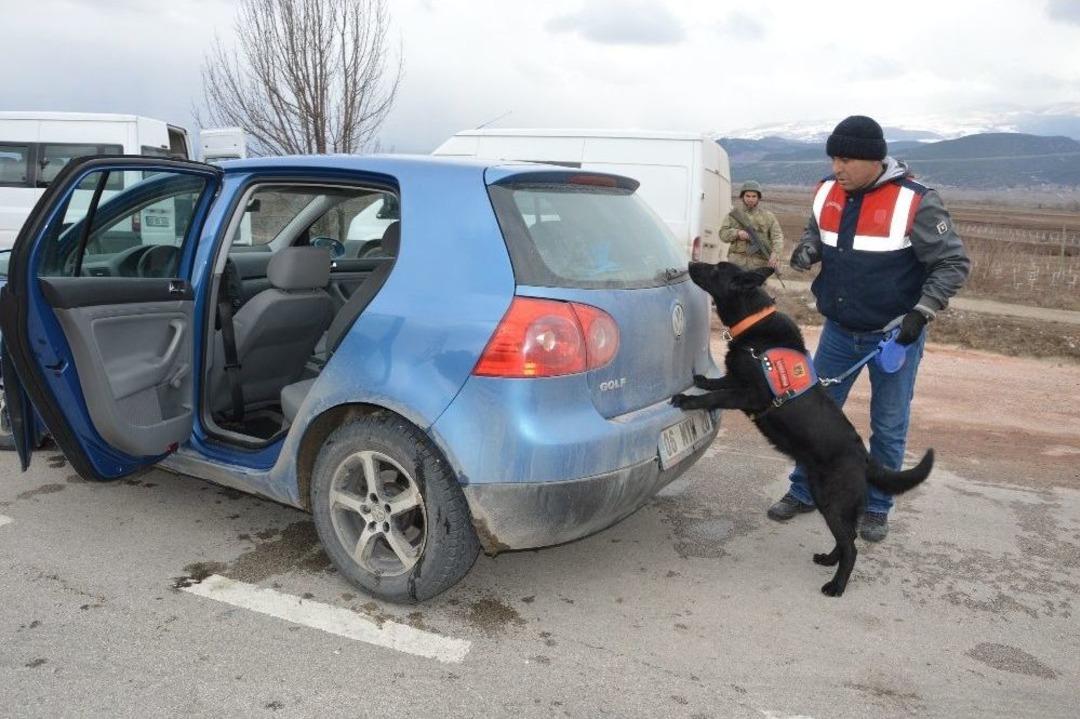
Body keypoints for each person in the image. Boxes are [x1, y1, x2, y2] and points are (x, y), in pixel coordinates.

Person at [769, 115, 971, 541]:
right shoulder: (827, 190)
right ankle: (804, 491)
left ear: (873, 160)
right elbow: (815, 233)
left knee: (889, 422)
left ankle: (876, 506)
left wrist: (923, 311)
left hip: (895, 336)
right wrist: (808, 249)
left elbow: (952, 263)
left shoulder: (916, 201)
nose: (837, 168)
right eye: (833, 158)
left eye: (845, 159)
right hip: (839, 331)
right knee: (814, 419)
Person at [719, 180, 784, 270]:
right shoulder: (733, 215)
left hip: (758, 265)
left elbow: (777, 237)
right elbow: (722, 234)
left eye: (754, 196)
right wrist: (737, 233)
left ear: (758, 198)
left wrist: (775, 253)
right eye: (747, 196)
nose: (750, 199)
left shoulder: (768, 217)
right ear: (742, 197)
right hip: (736, 263)